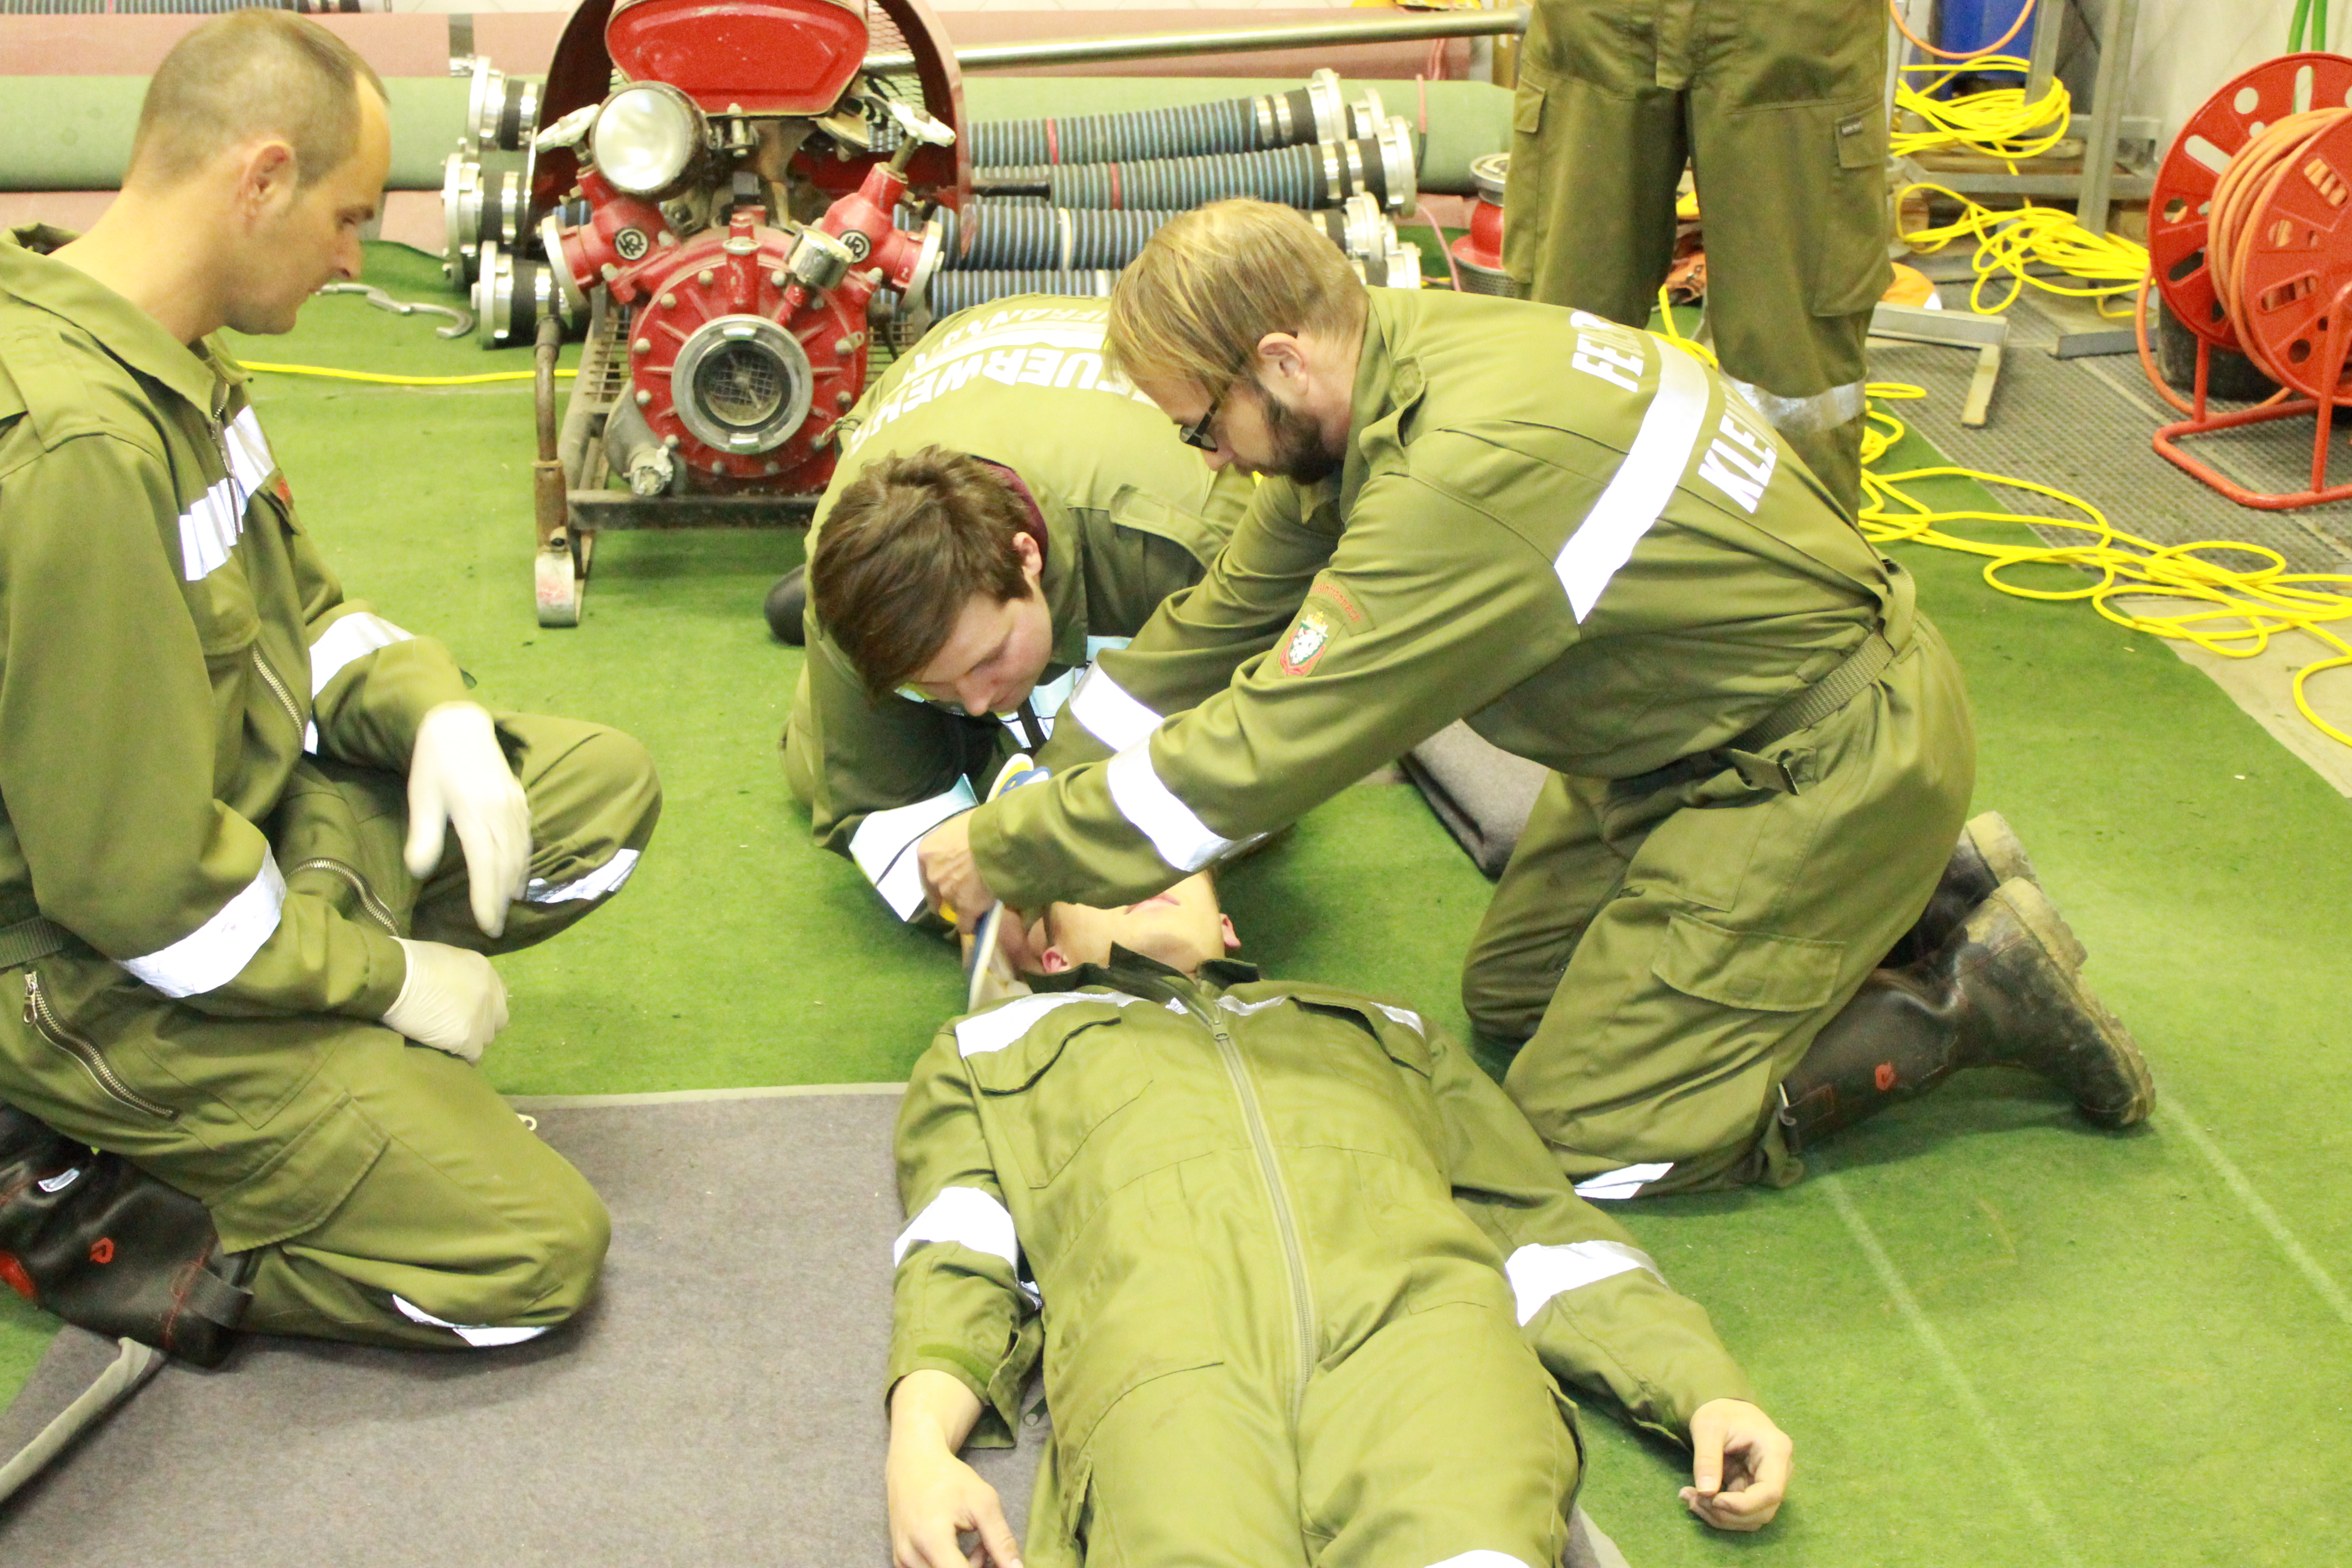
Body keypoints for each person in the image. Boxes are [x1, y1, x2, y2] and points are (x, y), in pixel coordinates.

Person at [917, 200, 2150, 1200]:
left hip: (1820, 757)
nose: (1212, 459)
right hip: (1686, 747)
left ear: (1279, 362)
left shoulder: (1460, 481)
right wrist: (1038, 786)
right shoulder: (1390, 357)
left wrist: (1013, 850)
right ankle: (1916, 888)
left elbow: (1265, 749)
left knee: (1587, 1136)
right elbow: (1215, 628)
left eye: (1202, 428)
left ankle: (1971, 997)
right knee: (1515, 995)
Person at [0, 12, 659, 1359]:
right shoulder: (78, 449)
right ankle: (86, 1204)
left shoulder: (167, 348)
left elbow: (300, 619)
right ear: (258, 180)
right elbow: (136, 892)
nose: (358, 256)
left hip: (232, 834)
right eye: (349, 216)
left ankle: (324, 1061)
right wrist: (387, 978)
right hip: (94, 968)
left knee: (589, 794)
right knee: (532, 1255)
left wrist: (435, 709)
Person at [886, 874, 1794, 1568]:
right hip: (1164, 1366)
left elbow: (1538, 1228)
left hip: (1428, 1343)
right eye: (1098, 872)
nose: (1143, 873)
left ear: (1227, 923)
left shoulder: (1384, 1028)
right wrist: (920, 1446)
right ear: (1049, 953)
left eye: (1168, 861)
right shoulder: (989, 1049)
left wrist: (1704, 1388)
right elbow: (957, 1252)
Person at [786, 295, 1250, 925]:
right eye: (936, 682)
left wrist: (1077, 848)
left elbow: (1262, 742)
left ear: (1026, 555)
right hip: (950, 364)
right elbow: (880, 802)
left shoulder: (1192, 546)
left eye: (988, 658)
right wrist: (973, 913)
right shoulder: (844, 583)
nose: (978, 701)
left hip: (1122, 497)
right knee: (815, 760)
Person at [1501, 0, 1888, 516]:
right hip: (1599, 28)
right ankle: (1552, 543)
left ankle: (1797, 555)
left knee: (1795, 376)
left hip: (1793, 36)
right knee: (1568, 342)